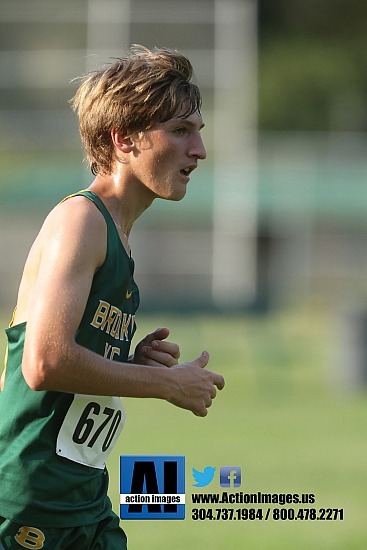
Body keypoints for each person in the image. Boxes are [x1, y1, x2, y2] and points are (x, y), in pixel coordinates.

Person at [0, 45, 225, 549]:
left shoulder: (117, 236)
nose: (199, 151)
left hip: (83, 500)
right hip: (29, 506)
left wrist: (128, 359)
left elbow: (69, 364)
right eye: (180, 131)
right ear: (123, 140)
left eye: (198, 133)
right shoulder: (81, 221)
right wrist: (164, 385)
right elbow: (44, 364)